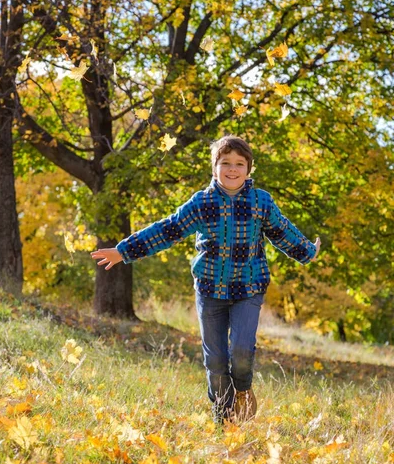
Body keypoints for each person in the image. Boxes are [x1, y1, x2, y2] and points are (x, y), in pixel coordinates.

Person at [91, 135, 321, 426]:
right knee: (215, 362)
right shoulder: (203, 202)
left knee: (240, 351)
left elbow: (281, 231)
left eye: (239, 164)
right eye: (226, 163)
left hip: (248, 288)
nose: (233, 169)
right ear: (215, 168)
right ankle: (224, 420)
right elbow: (169, 229)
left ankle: (243, 389)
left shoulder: (260, 201)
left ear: (249, 169)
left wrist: (306, 251)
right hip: (211, 290)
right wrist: (123, 251)